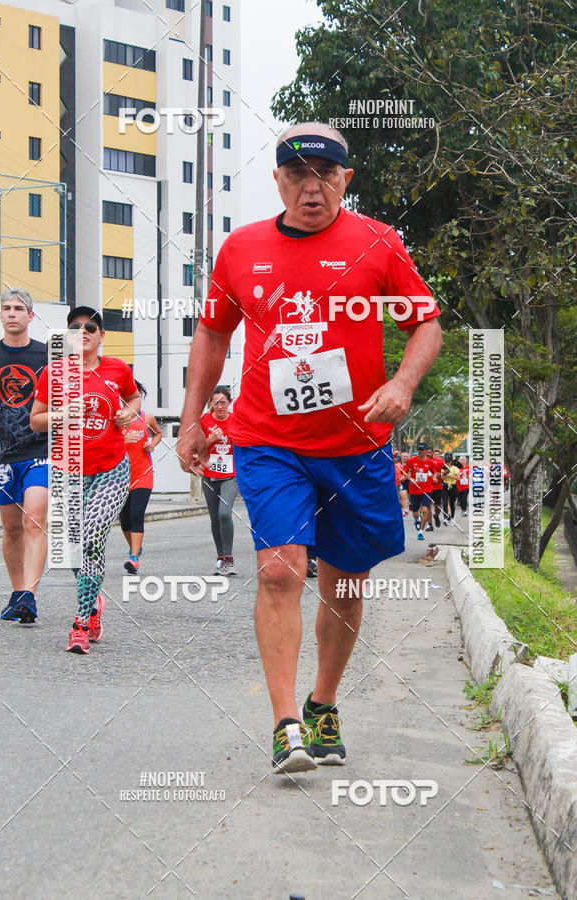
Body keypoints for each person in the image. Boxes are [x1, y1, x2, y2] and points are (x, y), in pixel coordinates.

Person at [177, 121, 442, 773]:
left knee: (344, 583)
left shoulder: (378, 243)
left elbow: (425, 324)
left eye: (324, 173)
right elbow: (212, 335)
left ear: (345, 180)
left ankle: (323, 704)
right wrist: (189, 420)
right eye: (296, 173)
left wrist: (404, 383)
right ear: (278, 181)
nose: (311, 186)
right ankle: (285, 724)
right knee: (278, 571)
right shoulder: (241, 250)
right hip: (268, 440)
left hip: (355, 447)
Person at [30, 306, 140, 653]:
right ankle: (93, 604)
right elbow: (35, 421)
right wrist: (64, 413)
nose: (83, 331)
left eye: (90, 327)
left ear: (101, 335)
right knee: (73, 551)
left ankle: (80, 624)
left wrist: (128, 412)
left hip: (111, 469)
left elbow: (134, 396)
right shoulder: (54, 373)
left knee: (91, 535)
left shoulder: (118, 369)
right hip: (67, 473)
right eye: (75, 327)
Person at [0, 288, 49, 623]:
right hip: (3, 454)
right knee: (11, 529)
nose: (12, 313)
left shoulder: (47, 355)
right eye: (6, 308)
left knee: (33, 520)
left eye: (19, 308)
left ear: (30, 316)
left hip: (40, 450)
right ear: (1, 315)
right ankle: (18, 591)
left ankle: (30, 597)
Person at [119, 380, 162, 573]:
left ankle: (134, 558)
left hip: (143, 474)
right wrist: (122, 440)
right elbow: (103, 443)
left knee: (137, 515)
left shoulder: (147, 418)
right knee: (125, 519)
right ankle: (134, 546)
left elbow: (158, 434)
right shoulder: (115, 420)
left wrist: (153, 443)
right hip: (120, 477)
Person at [199, 385, 238, 575]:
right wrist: (211, 439)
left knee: (224, 513)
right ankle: (220, 557)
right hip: (209, 473)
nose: (220, 407)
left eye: (223, 402)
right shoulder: (203, 421)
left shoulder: (237, 420)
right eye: (216, 403)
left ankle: (228, 556)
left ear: (229, 403)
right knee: (215, 518)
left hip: (231, 474)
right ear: (211, 404)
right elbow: (196, 448)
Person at [405, 443, 434, 540]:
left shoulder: (430, 462)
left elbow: (435, 473)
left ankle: (421, 532)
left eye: (422, 450)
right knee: (415, 513)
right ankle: (417, 519)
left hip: (426, 489)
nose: (420, 452)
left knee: (425, 510)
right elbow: (405, 472)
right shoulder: (411, 460)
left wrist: (434, 477)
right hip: (414, 490)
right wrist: (410, 478)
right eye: (419, 450)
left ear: (426, 451)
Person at [429, 446, 446, 527]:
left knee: (437, 505)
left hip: (437, 486)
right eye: (427, 452)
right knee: (427, 506)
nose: (428, 454)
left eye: (429, 452)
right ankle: (430, 525)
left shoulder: (439, 461)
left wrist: (440, 475)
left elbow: (447, 470)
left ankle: (436, 515)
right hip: (427, 487)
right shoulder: (422, 460)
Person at [441, 452, 460, 523]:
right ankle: (445, 517)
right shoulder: (442, 468)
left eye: (449, 462)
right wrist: (444, 475)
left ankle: (452, 516)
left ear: (451, 461)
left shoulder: (455, 468)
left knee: (452, 502)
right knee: (445, 502)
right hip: (445, 486)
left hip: (453, 486)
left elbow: (458, 478)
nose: (447, 464)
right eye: (446, 462)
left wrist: (450, 475)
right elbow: (441, 477)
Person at [399, 451, 410, 516]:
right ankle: (405, 509)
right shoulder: (399, 464)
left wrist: (406, 477)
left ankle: (411, 504)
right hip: (402, 482)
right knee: (403, 495)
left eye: (406, 456)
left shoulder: (410, 464)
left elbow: (410, 474)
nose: (405, 458)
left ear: (408, 457)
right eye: (403, 456)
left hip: (410, 481)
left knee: (410, 497)